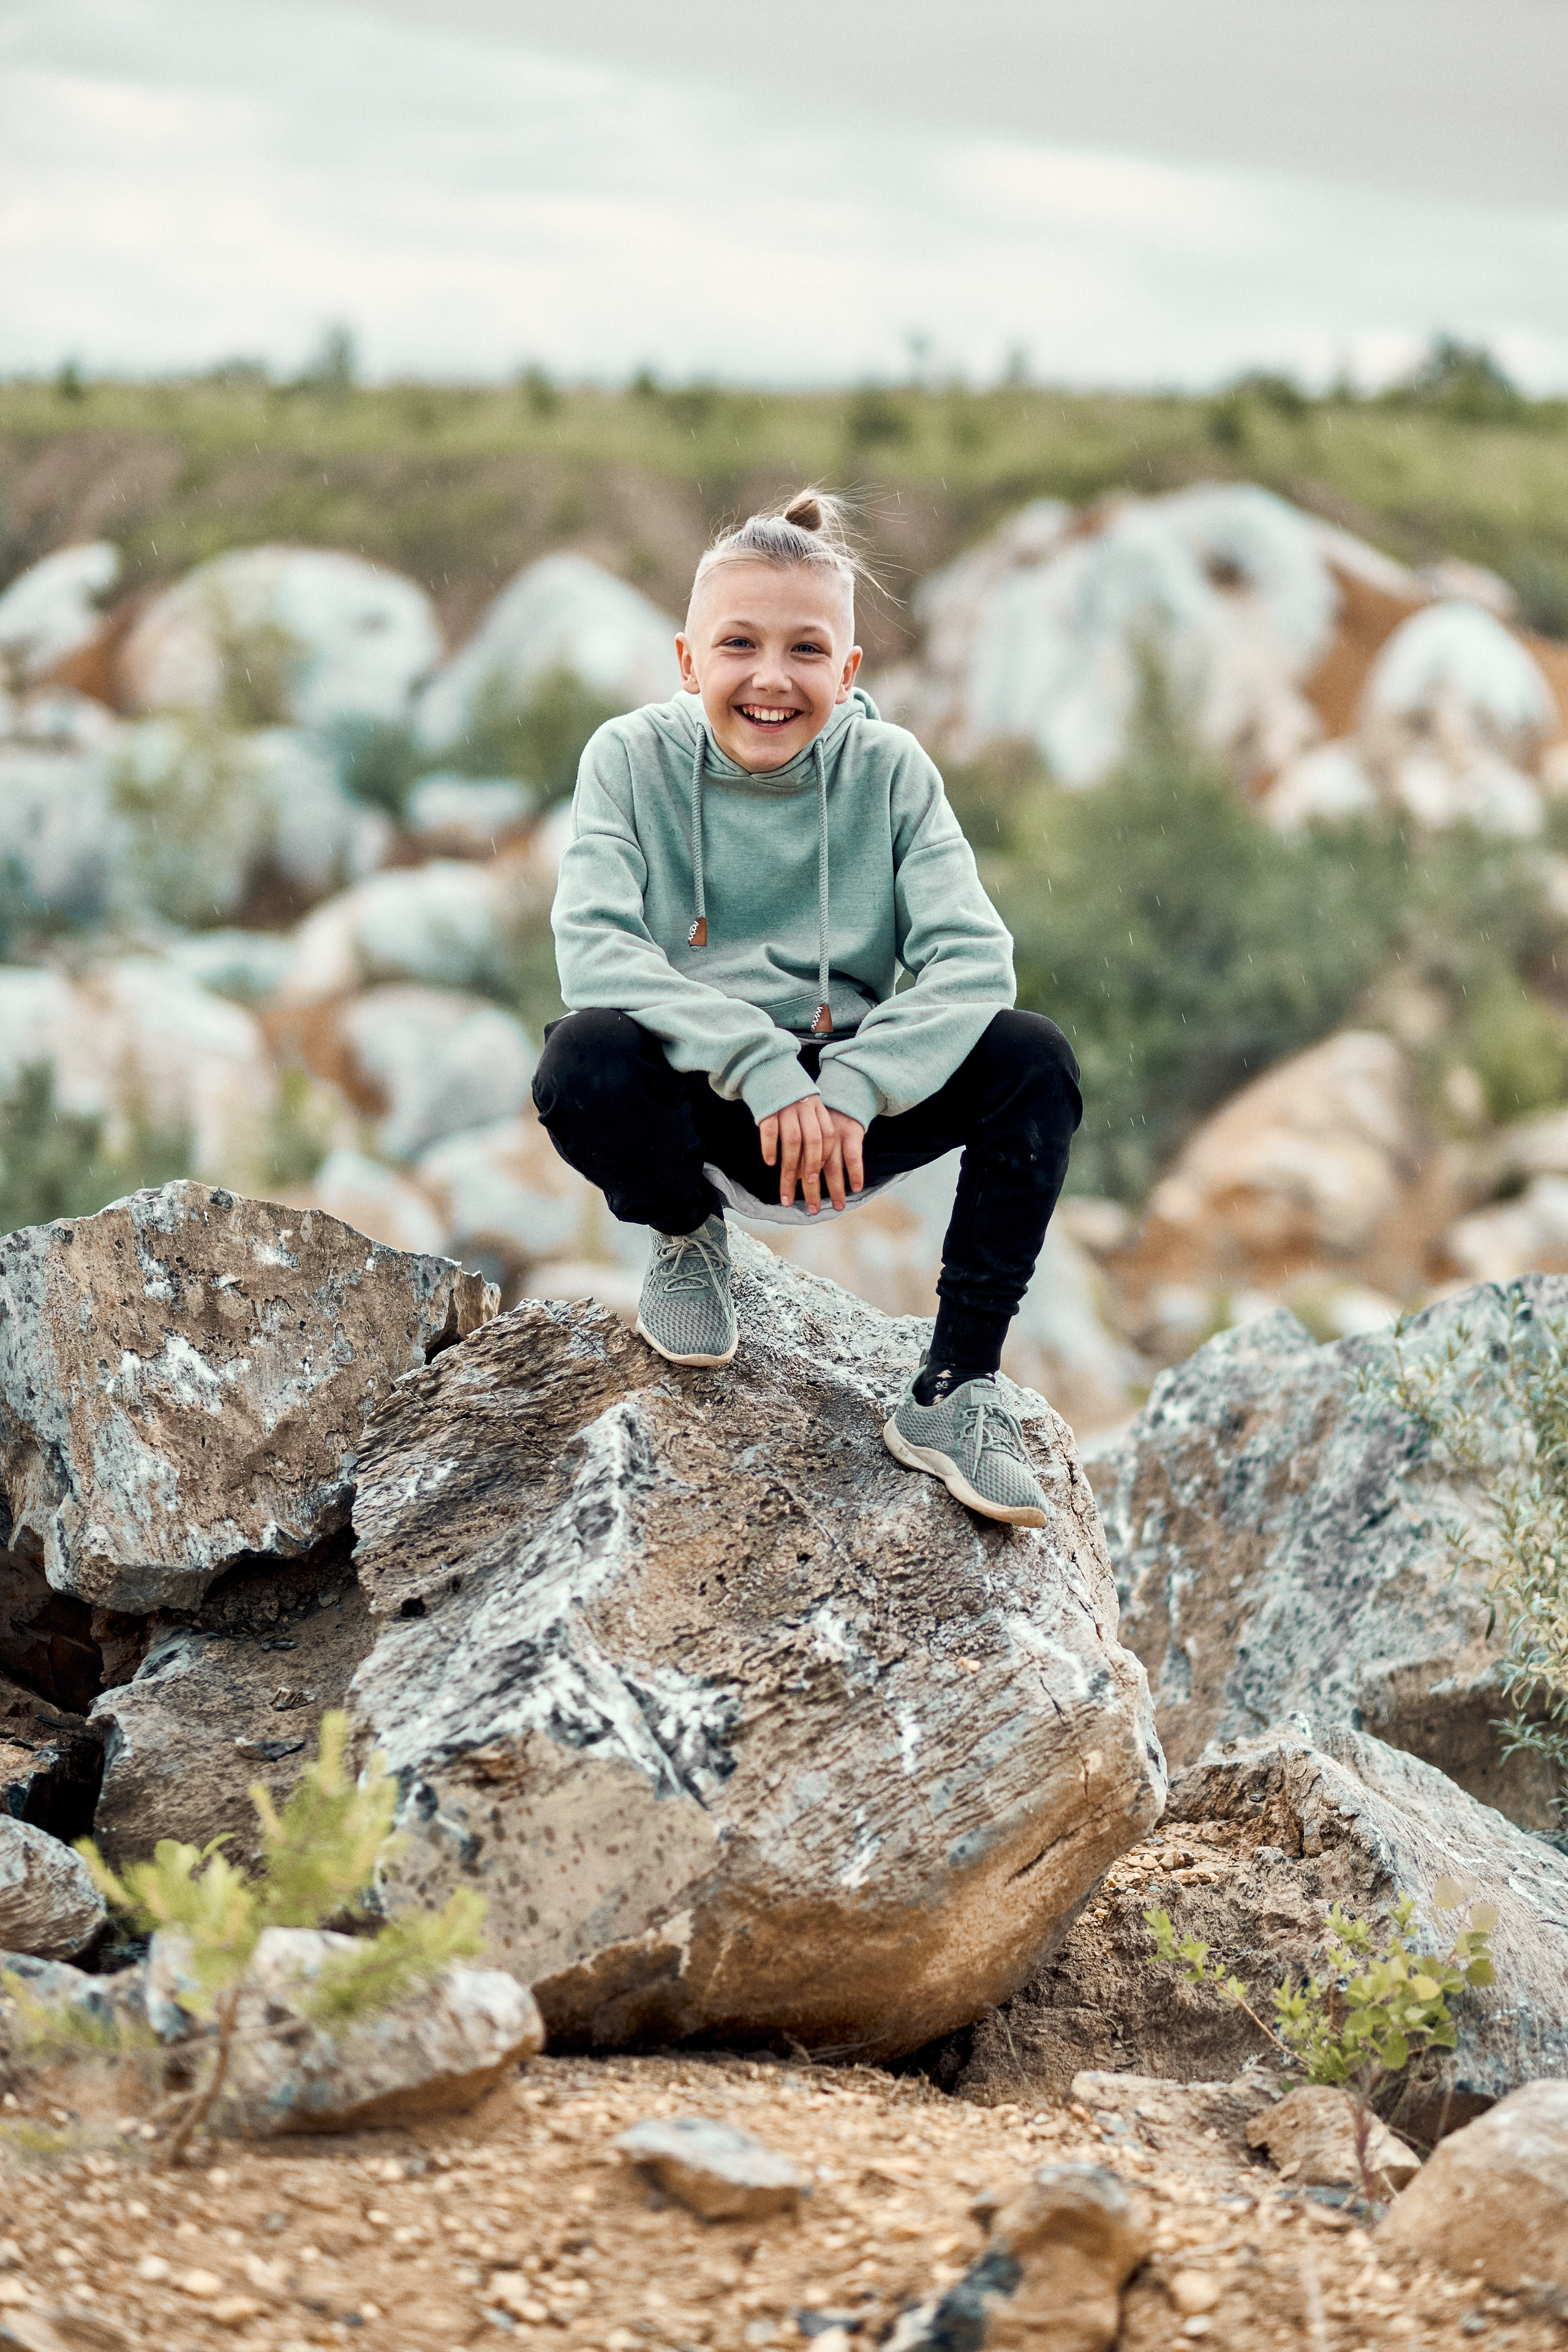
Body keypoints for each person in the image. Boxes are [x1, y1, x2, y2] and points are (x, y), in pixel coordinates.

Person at [532, 491, 1081, 1529]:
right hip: (705, 1103)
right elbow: (595, 949)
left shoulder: (890, 772)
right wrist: (761, 1069)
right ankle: (687, 1236)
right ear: (689, 660)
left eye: (807, 650)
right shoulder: (628, 757)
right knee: (582, 1059)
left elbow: (974, 959)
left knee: (1035, 1060)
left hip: (852, 1109)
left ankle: (956, 1391)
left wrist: (855, 1086)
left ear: (849, 671)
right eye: (739, 645)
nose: (772, 679)